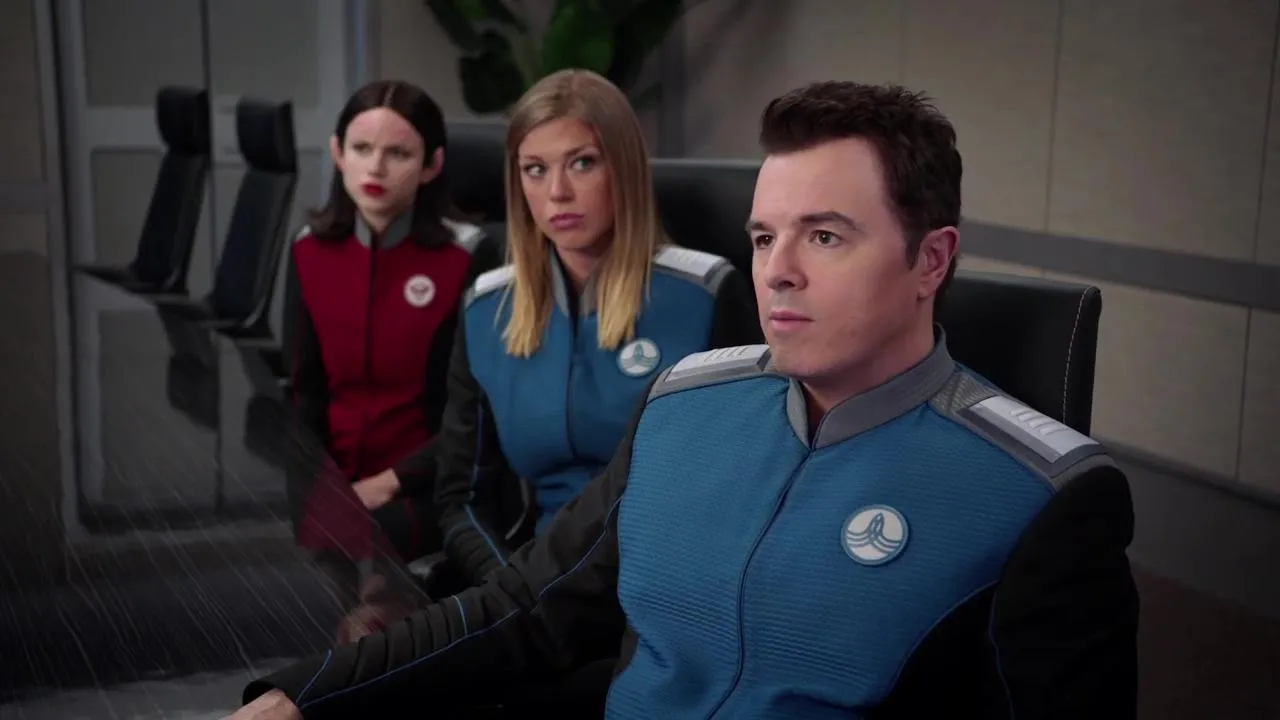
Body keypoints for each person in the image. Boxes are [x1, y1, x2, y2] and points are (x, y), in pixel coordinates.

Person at [227, 81, 1138, 720]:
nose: (777, 271)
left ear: (930, 261)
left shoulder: (1043, 496)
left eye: (825, 236)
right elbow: (524, 610)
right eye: (765, 237)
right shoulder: (681, 409)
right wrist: (303, 694)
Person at [358, 68, 761, 589]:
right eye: (535, 169)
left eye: (582, 163)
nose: (558, 192)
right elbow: (462, 500)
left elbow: (736, 488)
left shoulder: (707, 292)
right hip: (532, 583)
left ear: (624, 168)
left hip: (663, 585)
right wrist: (513, 592)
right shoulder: (486, 309)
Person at [286, 79, 503, 565]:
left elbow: (477, 411)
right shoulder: (307, 249)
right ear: (338, 153)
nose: (375, 167)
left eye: (398, 154)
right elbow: (304, 391)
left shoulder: (468, 255)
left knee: (361, 545)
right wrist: (316, 486)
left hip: (432, 487)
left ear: (432, 165)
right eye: (361, 149)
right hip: (337, 484)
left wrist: (390, 482)